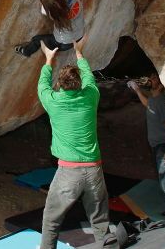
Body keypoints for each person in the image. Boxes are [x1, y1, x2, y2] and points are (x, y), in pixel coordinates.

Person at [37, 36, 109, 249]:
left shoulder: (53, 101)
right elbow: (89, 77)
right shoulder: (91, 96)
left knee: (51, 220)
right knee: (100, 223)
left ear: (59, 84)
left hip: (68, 172)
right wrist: (78, 52)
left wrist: (49, 59)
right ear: (79, 84)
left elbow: (42, 83)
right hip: (94, 170)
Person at [128, 72, 165, 222]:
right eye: (150, 77)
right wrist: (137, 90)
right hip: (157, 147)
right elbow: (148, 105)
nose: (150, 80)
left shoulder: (163, 102)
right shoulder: (155, 101)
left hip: (164, 147)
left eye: (153, 78)